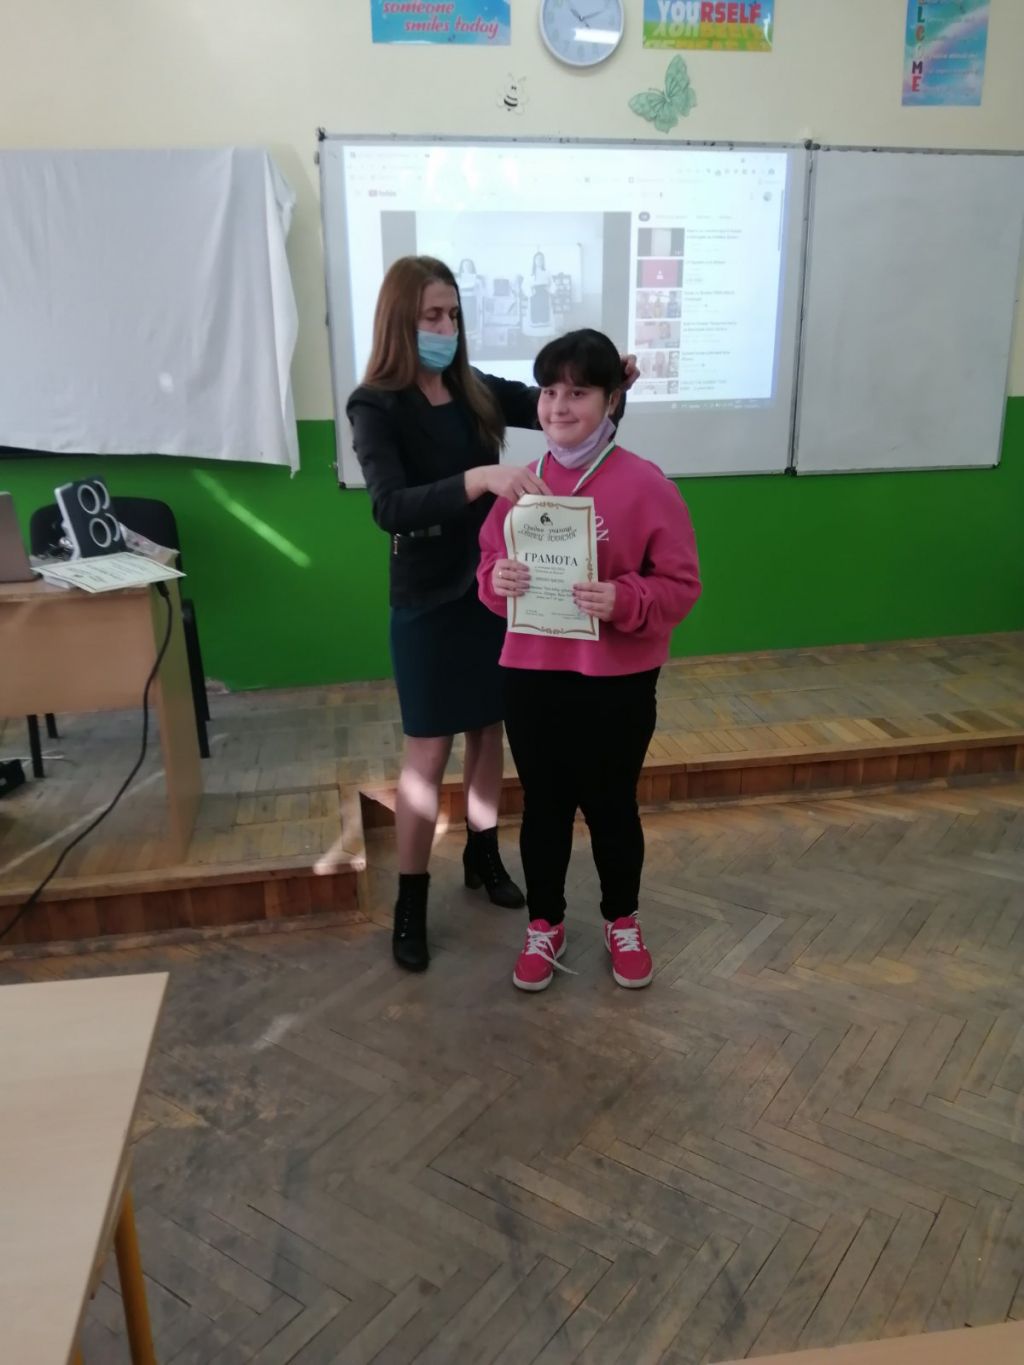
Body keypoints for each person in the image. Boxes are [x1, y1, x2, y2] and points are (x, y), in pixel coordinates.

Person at [347, 259, 636, 974]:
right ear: (400, 320)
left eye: (453, 314)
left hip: (496, 586)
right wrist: (480, 477)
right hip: (427, 598)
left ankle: (483, 854)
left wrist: (609, 383)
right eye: (432, 316)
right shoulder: (375, 405)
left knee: (488, 731)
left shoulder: (473, 388)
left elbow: (551, 405)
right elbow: (389, 507)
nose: (446, 327)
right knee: (426, 751)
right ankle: (410, 900)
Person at [477, 328, 701, 993]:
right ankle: (544, 923)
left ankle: (621, 918)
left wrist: (624, 599)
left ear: (611, 400)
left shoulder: (646, 485)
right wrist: (498, 582)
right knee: (544, 807)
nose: (558, 406)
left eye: (577, 393)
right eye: (549, 391)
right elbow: (488, 569)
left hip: (617, 683)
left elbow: (681, 586)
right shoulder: (521, 485)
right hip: (532, 675)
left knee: (611, 806)